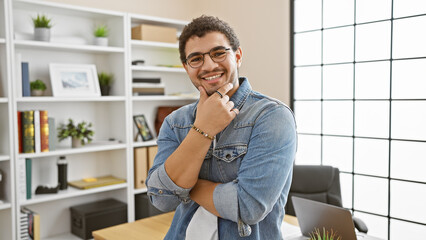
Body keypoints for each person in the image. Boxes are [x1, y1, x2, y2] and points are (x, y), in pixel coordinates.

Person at [146, 15, 297, 239]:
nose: (209, 65)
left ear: (237, 56)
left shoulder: (272, 116)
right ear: (187, 67)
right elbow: (162, 198)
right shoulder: (175, 122)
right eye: (196, 58)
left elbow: (248, 207)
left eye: (218, 53)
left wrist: (184, 187)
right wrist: (203, 129)